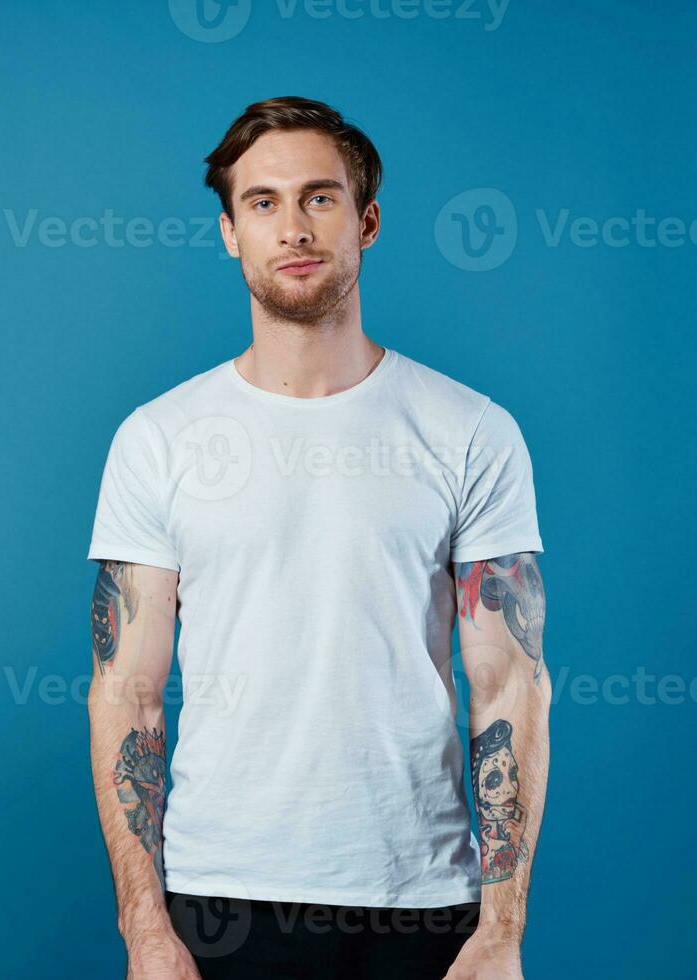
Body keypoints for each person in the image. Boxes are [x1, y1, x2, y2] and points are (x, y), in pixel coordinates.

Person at [85, 96, 550, 979]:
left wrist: (501, 931)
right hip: (219, 896)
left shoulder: (472, 431)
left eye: (319, 198)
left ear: (366, 220)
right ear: (229, 232)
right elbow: (126, 693)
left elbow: (509, 687)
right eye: (262, 203)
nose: (293, 227)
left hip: (424, 896)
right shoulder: (158, 438)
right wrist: (145, 926)